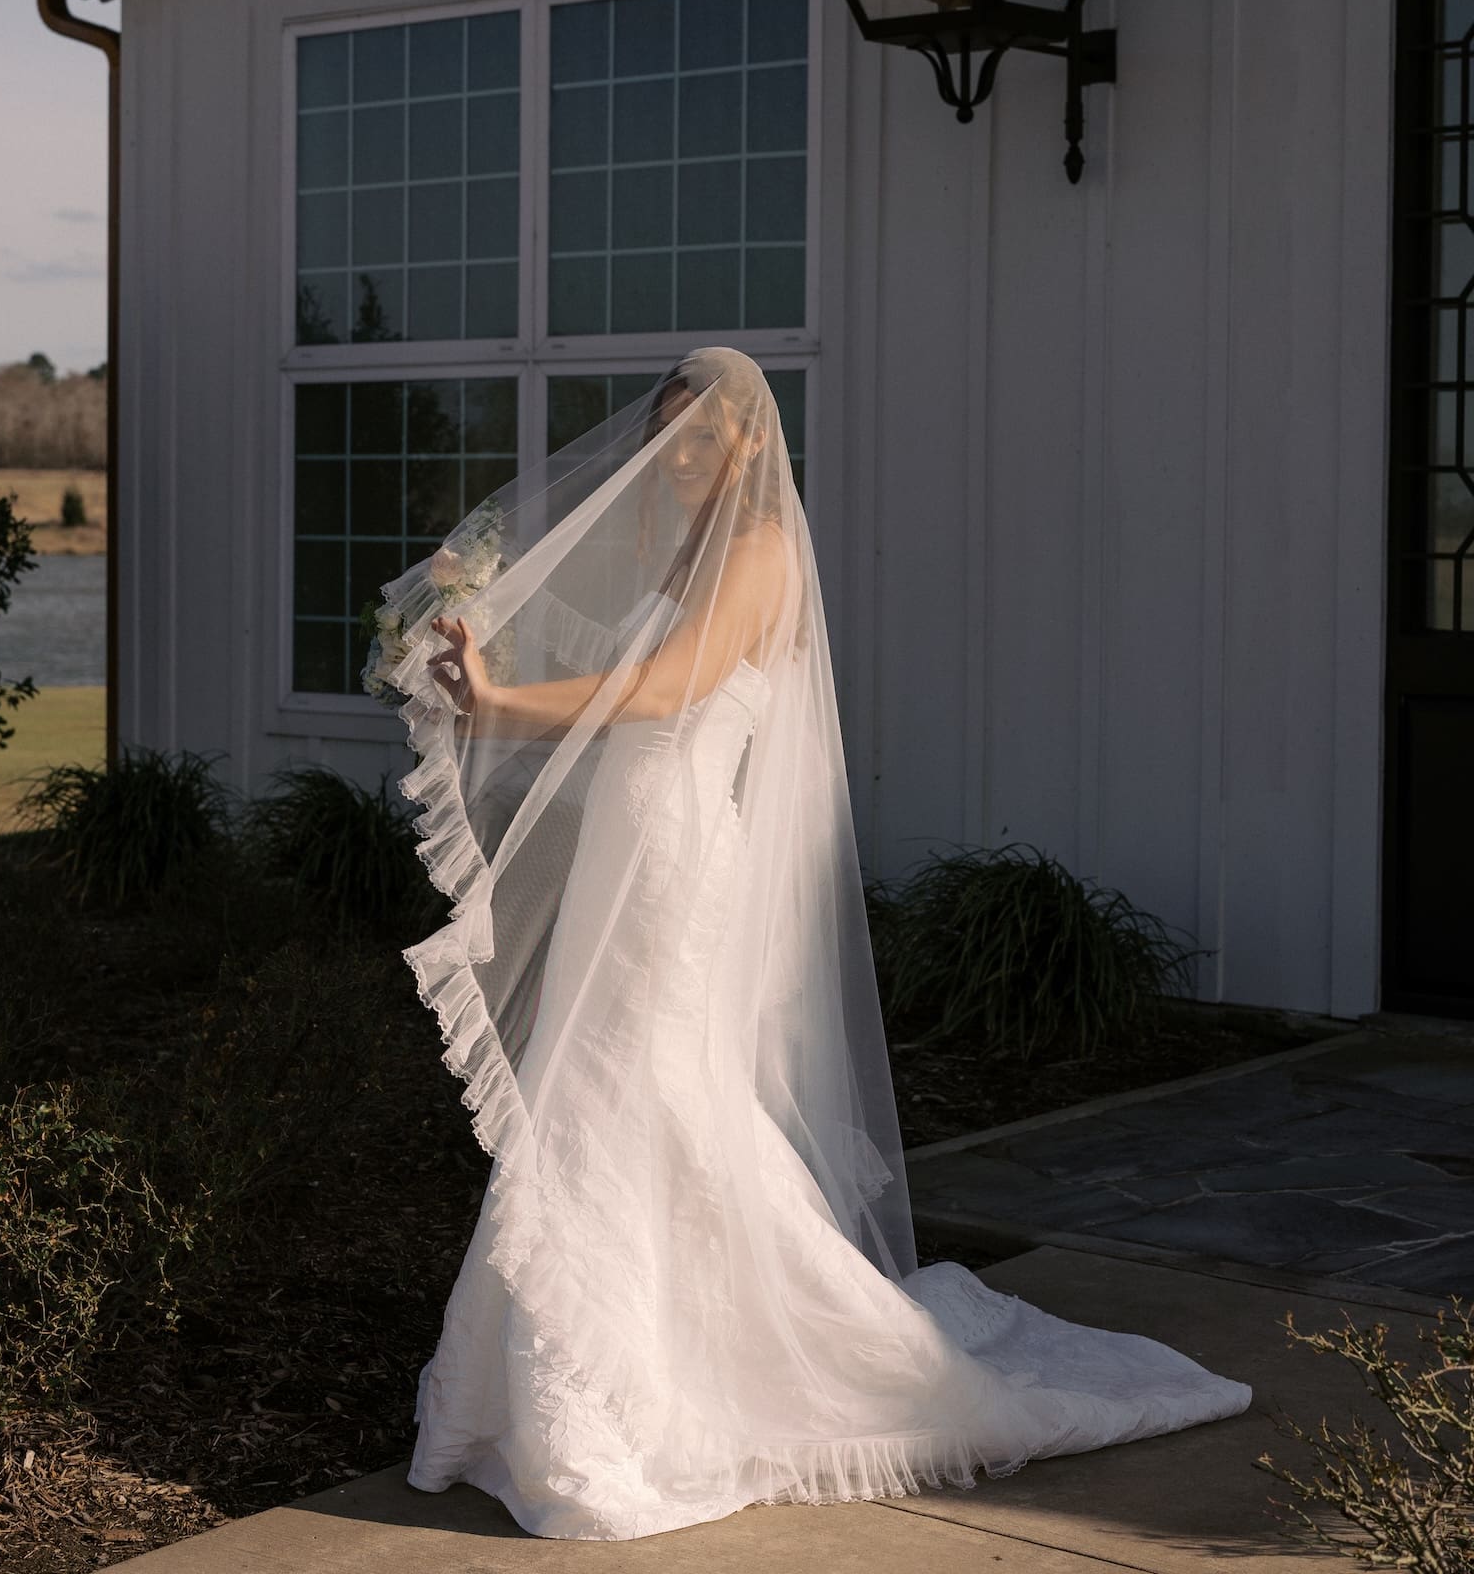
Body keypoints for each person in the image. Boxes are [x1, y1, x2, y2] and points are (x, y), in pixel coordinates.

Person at [366, 345, 1249, 1543]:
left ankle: (652, 1383)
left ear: (747, 445)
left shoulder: (761, 551)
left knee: (636, 1093)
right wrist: (474, 623)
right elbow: (623, 668)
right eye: (663, 432)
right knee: (607, 1090)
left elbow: (665, 691)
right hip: (632, 852)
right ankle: (547, 1388)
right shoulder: (686, 552)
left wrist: (504, 706)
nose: (671, 455)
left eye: (695, 437)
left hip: (673, 861)